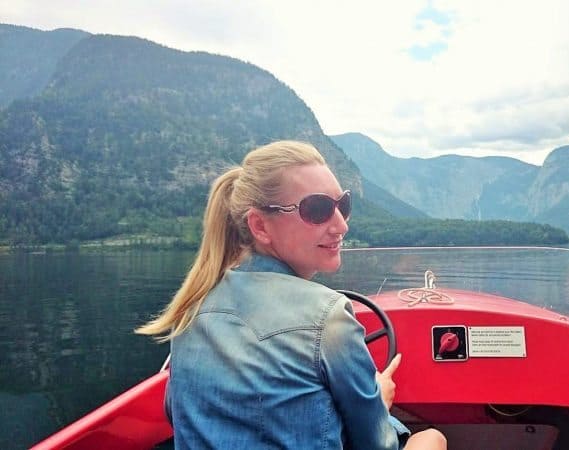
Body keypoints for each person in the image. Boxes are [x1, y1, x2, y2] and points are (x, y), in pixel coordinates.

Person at [136, 140, 446, 449]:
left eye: (343, 205)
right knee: (432, 439)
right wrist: (378, 400)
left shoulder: (191, 308)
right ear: (260, 226)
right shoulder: (329, 316)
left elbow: (176, 413)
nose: (341, 225)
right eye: (318, 209)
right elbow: (377, 445)